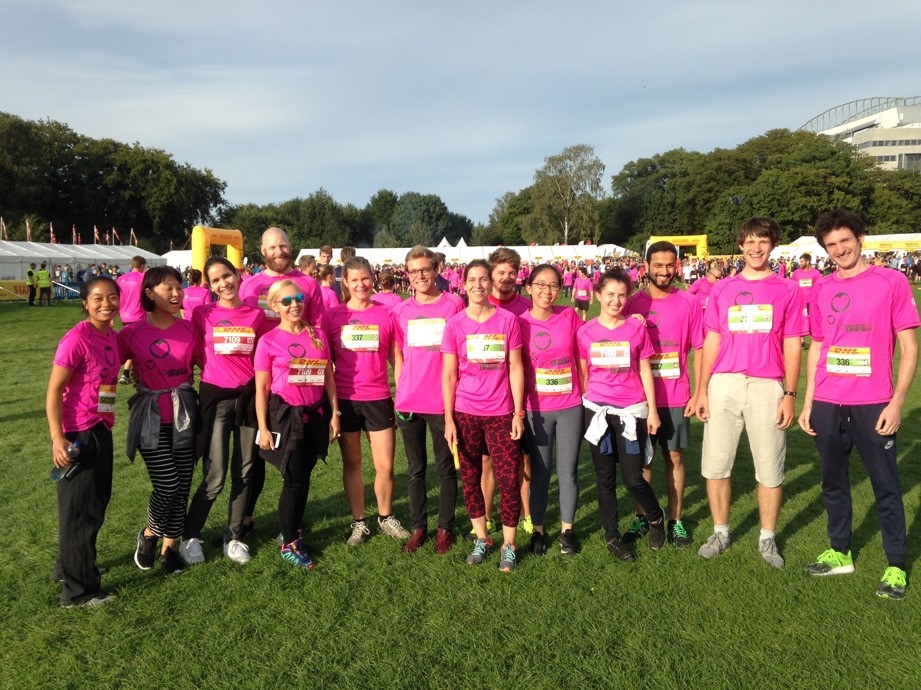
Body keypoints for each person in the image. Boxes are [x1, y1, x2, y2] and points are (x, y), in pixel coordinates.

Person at [798, 210, 919, 600]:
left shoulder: (892, 281)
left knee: (886, 486)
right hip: (829, 402)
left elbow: (909, 347)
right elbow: (818, 345)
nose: (839, 250)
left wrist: (897, 402)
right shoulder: (821, 287)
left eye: (844, 241)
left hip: (874, 402)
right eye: (831, 245)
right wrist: (808, 402)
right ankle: (840, 551)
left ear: (861, 237)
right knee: (833, 483)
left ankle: (896, 565)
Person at [694, 218, 806, 568]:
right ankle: (721, 531)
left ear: (772, 245)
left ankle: (767, 538)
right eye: (750, 242)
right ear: (740, 245)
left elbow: (793, 343)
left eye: (763, 241)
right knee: (716, 465)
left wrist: (790, 393)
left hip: (766, 385)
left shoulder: (787, 289)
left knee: (770, 468)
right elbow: (711, 339)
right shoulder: (723, 289)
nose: (756, 248)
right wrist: (701, 389)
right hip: (723, 383)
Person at [180, 257, 269, 567]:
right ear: (210, 285)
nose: (223, 284)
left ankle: (233, 537)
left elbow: (265, 355)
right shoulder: (202, 314)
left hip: (247, 400)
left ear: (237, 275)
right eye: (216, 280)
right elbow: (191, 353)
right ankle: (191, 535)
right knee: (214, 474)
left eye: (227, 276)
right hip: (215, 400)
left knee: (244, 470)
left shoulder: (256, 314)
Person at [238, 227, 325, 535]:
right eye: (273, 247)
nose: (279, 251)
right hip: (259, 379)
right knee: (257, 457)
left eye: (284, 245)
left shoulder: (309, 283)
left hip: (301, 383)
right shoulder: (250, 286)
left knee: (300, 457)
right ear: (263, 251)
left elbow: (317, 328)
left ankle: (291, 523)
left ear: (291, 247)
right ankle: (246, 520)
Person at [443, 259, 525, 571]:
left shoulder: (507, 320)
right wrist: (448, 419)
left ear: (490, 284)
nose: (478, 285)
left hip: (502, 412)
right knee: (470, 478)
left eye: (483, 279)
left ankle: (509, 544)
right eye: (472, 280)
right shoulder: (455, 325)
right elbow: (449, 376)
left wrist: (518, 413)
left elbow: (516, 368)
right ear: (462, 284)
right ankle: (481, 538)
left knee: (507, 479)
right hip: (465, 413)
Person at [577, 269, 665, 562]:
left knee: (633, 478)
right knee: (604, 479)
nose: (616, 301)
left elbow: (644, 369)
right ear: (598, 295)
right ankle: (612, 537)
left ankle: (655, 518)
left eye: (622, 295)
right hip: (598, 414)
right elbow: (584, 371)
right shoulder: (585, 331)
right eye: (610, 294)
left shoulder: (636, 328)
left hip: (631, 413)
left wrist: (652, 411)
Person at [119, 266, 200, 574]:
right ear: (150, 293)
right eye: (169, 288)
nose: (177, 293)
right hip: (150, 419)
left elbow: (210, 362)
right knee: (167, 484)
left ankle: (170, 548)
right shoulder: (132, 332)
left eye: (179, 287)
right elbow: (106, 362)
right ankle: (150, 534)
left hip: (184, 417)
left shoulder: (189, 329)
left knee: (182, 487)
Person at [323, 256, 409, 545]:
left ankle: (385, 517)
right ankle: (359, 522)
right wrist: (333, 408)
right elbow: (326, 366)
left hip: (379, 398)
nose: (361, 284)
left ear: (373, 279)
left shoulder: (387, 314)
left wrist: (403, 395)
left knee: (385, 466)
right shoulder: (333, 316)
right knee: (353, 464)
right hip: (347, 401)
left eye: (366, 278)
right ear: (344, 282)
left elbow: (395, 357)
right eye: (355, 279)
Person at [46, 275, 121, 607]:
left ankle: (70, 567)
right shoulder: (76, 338)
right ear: (85, 302)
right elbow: (52, 392)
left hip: (100, 426)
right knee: (83, 511)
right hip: (78, 433)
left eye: (112, 297)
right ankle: (79, 592)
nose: (106, 303)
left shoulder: (111, 337)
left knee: (91, 504)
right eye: (98, 298)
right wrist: (57, 438)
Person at [623, 242, 704, 547]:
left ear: (677, 266)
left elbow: (699, 348)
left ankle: (676, 520)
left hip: (676, 396)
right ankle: (642, 517)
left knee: (674, 458)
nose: (664, 271)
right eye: (658, 265)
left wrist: (699, 392)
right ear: (646, 266)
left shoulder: (689, 302)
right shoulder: (631, 304)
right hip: (639, 399)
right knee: (642, 462)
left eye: (670, 265)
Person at [255, 280, 340, 568]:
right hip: (284, 416)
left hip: (314, 414)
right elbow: (262, 389)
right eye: (287, 300)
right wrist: (263, 429)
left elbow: (328, 375)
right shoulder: (268, 341)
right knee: (294, 479)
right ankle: (290, 542)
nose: (294, 304)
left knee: (304, 476)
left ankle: (289, 529)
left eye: (298, 298)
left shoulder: (316, 334)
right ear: (275, 305)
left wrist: (335, 412)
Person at [392, 246, 464, 554]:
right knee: (415, 469)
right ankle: (419, 526)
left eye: (425, 269)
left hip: (442, 401)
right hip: (409, 401)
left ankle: (444, 528)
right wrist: (401, 387)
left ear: (436, 269)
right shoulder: (401, 310)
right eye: (414, 270)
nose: (420, 275)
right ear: (407, 274)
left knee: (445, 468)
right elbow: (397, 352)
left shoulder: (454, 304)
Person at [519, 264, 584, 555]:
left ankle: (567, 531)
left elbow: (593, 337)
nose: (547, 291)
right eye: (541, 285)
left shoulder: (569, 316)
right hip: (536, 410)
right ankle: (539, 532)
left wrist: (629, 319)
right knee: (541, 473)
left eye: (553, 286)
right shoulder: (518, 323)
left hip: (570, 406)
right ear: (529, 287)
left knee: (568, 471)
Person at [486, 248, 533, 535]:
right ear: (491, 273)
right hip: (487, 400)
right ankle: (488, 515)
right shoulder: (476, 304)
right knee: (487, 460)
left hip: (520, 397)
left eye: (511, 273)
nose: (506, 278)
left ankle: (526, 515)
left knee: (522, 461)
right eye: (501, 272)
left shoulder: (527, 308)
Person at [116, 256, 147, 384]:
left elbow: (117, 298)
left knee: (132, 345)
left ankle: (128, 373)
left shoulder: (120, 279)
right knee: (140, 347)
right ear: (142, 266)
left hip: (124, 316)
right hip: (139, 315)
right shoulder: (143, 278)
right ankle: (131, 374)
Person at [790, 253, 823, 349]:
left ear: (807, 261)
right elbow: (794, 286)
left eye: (802, 261)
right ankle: (802, 342)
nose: (800, 263)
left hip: (812, 302)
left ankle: (815, 341)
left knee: (813, 321)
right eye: (800, 262)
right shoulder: (797, 273)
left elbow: (818, 287)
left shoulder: (815, 273)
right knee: (800, 320)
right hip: (800, 302)